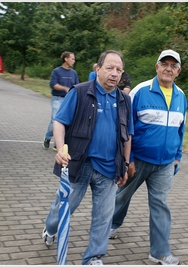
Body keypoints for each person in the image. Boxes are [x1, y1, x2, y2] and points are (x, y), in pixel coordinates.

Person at [42, 50, 133, 265]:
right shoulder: (80, 92)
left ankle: (93, 257)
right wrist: (60, 149)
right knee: (64, 206)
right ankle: (51, 227)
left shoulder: (125, 100)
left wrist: (126, 164)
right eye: (109, 68)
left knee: (103, 217)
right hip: (80, 165)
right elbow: (60, 121)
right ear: (98, 69)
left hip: (110, 169)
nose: (114, 73)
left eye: (119, 70)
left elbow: (128, 136)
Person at [109, 49, 187, 265]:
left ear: (178, 71)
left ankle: (159, 252)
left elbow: (181, 129)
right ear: (157, 67)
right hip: (139, 160)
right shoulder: (140, 91)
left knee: (160, 204)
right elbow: (124, 126)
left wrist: (177, 157)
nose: (168, 68)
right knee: (122, 195)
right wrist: (129, 159)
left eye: (173, 65)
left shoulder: (181, 96)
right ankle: (111, 225)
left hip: (165, 164)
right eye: (165, 64)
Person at [43, 51, 80, 151]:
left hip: (69, 100)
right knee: (55, 120)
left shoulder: (74, 73)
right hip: (58, 99)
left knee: (65, 122)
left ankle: (57, 143)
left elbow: (77, 86)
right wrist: (64, 88)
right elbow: (53, 84)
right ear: (66, 59)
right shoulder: (57, 71)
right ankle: (47, 138)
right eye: (72, 58)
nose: (74, 61)